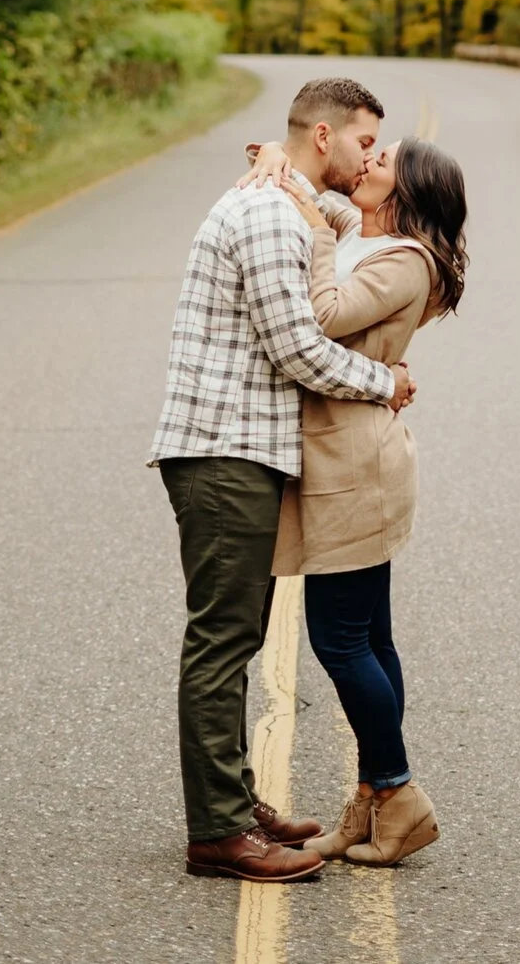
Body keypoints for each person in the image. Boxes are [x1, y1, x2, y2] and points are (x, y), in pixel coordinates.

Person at [147, 76, 416, 885]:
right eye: (367, 141)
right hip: (227, 452)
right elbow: (297, 346)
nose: (374, 157)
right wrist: (386, 382)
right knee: (224, 640)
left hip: (245, 450)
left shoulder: (285, 201)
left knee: (240, 635)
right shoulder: (267, 213)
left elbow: (327, 220)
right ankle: (219, 832)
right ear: (327, 135)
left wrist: (281, 160)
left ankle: (233, 798)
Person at [239, 133, 468, 868]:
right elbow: (319, 194)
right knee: (370, 637)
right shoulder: (369, 236)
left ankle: (399, 792)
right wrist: (278, 154)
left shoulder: (403, 261)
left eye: (385, 159)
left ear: (406, 191)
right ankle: (372, 802)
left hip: (354, 464)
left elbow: (324, 314)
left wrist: (308, 227)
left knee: (340, 639)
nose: (368, 162)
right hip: (351, 455)